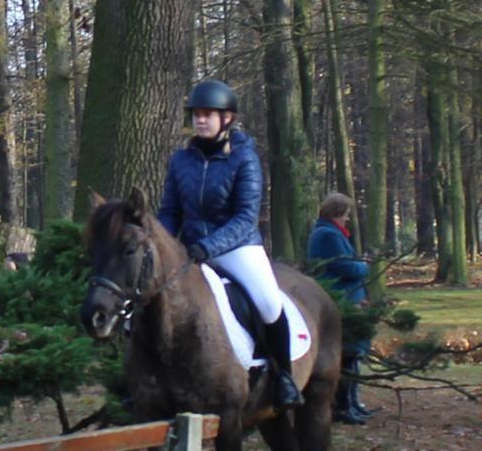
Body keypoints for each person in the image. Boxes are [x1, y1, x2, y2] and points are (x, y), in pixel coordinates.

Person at [156, 79, 301, 415]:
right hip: (190, 249)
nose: (201, 120)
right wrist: (163, 245)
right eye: (196, 115)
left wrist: (209, 245)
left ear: (228, 119)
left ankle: (285, 377)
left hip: (237, 247)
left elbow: (246, 217)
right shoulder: (180, 161)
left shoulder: (244, 158)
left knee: (267, 302)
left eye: (208, 114)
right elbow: (170, 211)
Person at [306, 192, 374, 424]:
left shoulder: (331, 233)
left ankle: (353, 402)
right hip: (343, 300)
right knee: (348, 354)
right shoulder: (328, 235)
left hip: (350, 299)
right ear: (336, 213)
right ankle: (344, 406)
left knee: (354, 355)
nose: (347, 219)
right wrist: (364, 266)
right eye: (345, 215)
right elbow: (346, 267)